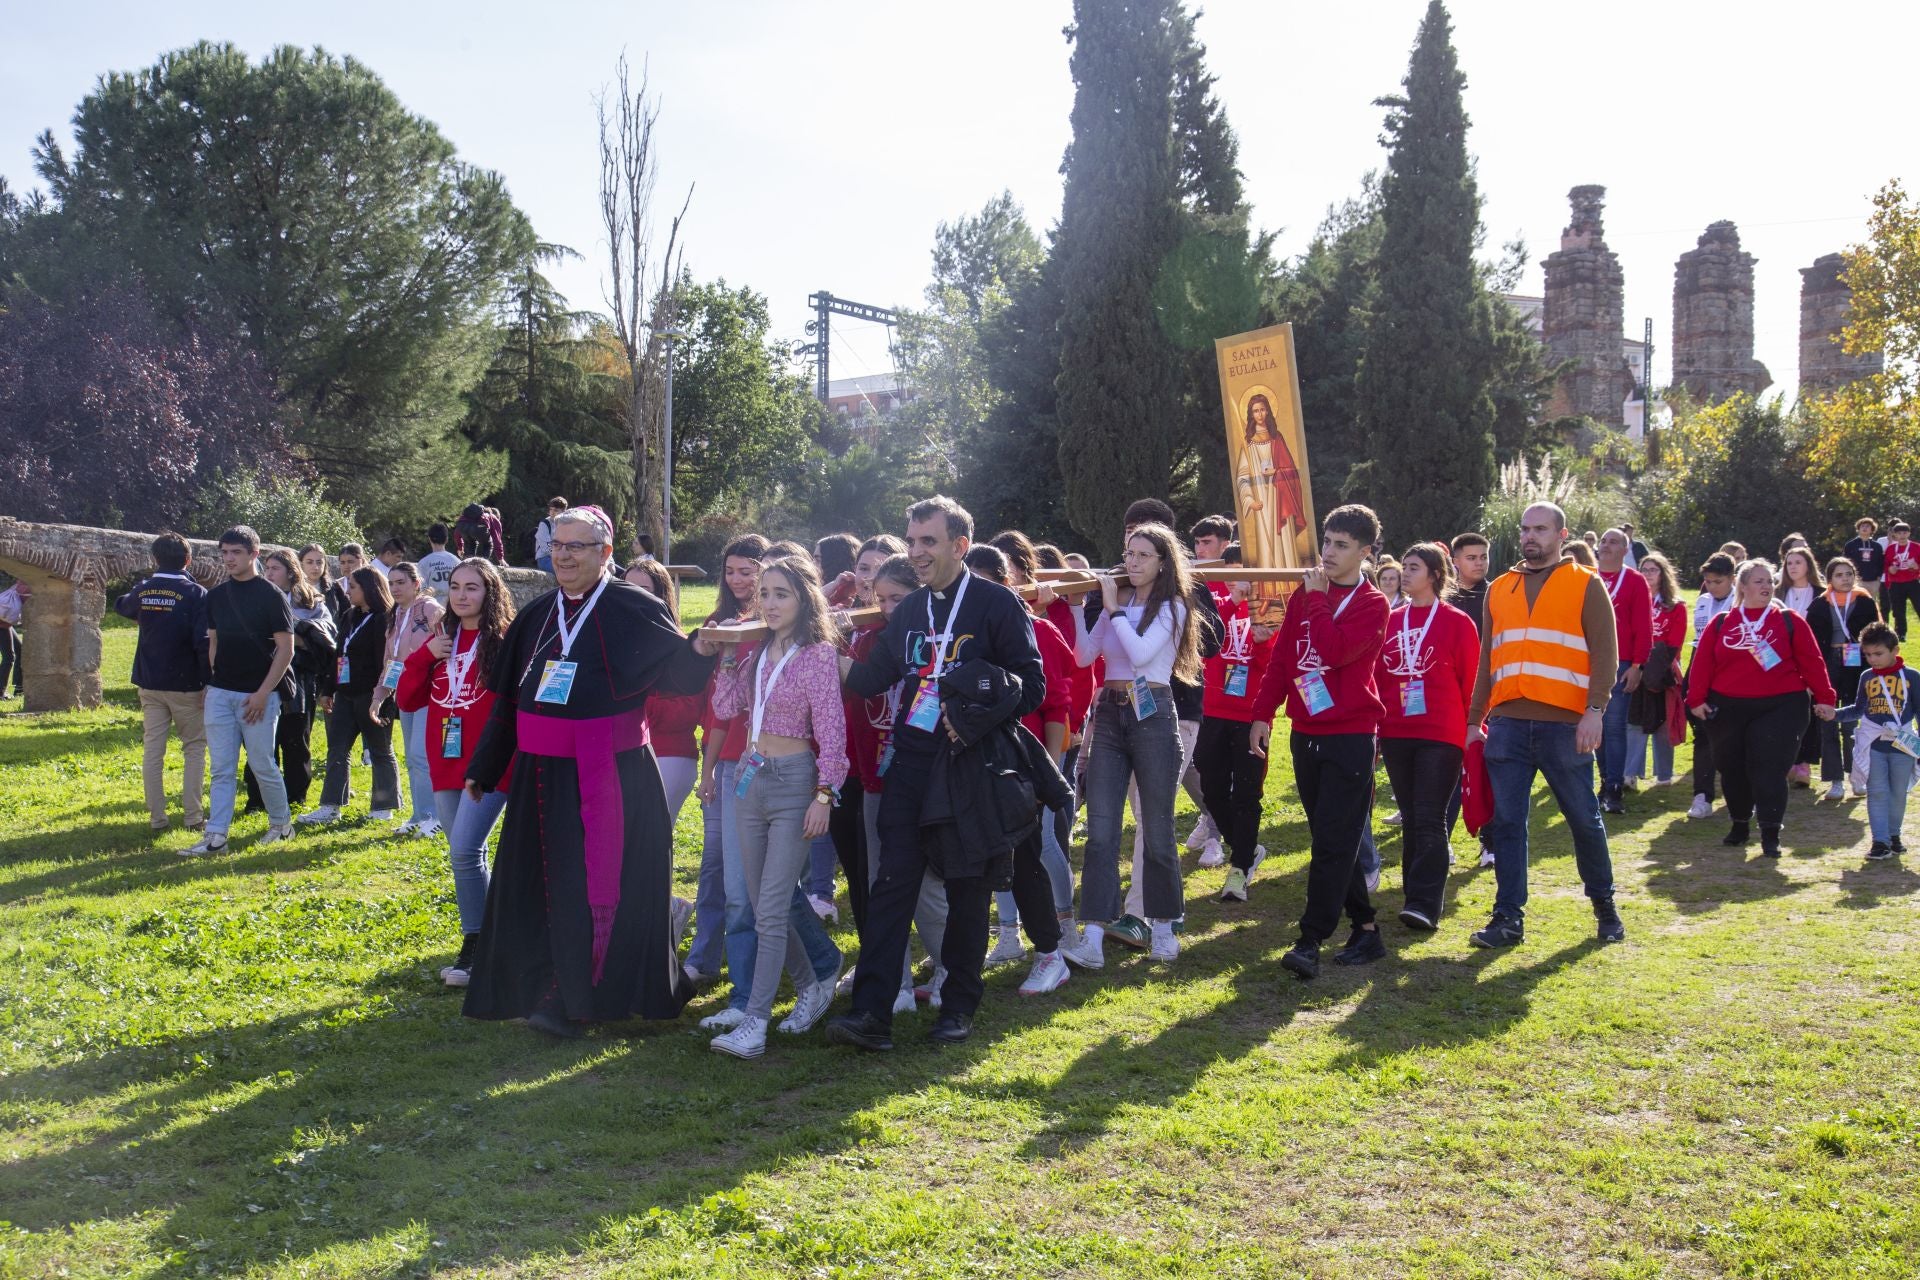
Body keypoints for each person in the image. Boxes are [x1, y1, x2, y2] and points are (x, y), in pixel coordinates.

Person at [462, 505, 717, 1037]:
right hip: (540, 776)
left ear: (605, 553)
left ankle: (581, 997)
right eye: (557, 545)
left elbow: (677, 676)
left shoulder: (635, 607)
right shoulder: (537, 614)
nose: (563, 556)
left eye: (575, 546)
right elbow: (508, 701)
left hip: (613, 774)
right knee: (544, 884)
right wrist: (485, 766)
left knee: (598, 886)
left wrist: (698, 648)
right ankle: (543, 985)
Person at [826, 495, 1050, 1051]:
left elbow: (1031, 685)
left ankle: (958, 1008)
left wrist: (971, 710)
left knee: (969, 889)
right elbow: (872, 678)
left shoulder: (997, 604)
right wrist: (821, 646)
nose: (917, 552)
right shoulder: (910, 610)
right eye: (912, 541)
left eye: (928, 541)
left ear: (960, 545)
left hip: (970, 767)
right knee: (891, 886)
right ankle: (872, 1013)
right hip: (910, 763)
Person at [700, 557, 848, 1058]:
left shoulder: (817, 655)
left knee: (770, 906)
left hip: (793, 782)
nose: (769, 602)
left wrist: (824, 795)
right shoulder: (758, 650)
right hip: (749, 777)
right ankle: (814, 982)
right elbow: (725, 708)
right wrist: (727, 654)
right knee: (767, 902)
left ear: (805, 598)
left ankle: (755, 1023)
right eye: (764, 593)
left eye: (780, 593)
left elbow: (832, 735)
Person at [1465, 502, 1625, 948]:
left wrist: (1595, 711)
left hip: (1566, 726)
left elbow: (1605, 655)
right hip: (1508, 725)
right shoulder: (1500, 588)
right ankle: (1507, 919)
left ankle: (1605, 906)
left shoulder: (1586, 583)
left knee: (1583, 819)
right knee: (1507, 824)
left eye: (1539, 529)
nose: (1530, 536)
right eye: (1525, 529)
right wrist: (1474, 720)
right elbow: (1487, 659)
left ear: (1561, 534)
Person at [1246, 505, 1389, 978]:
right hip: (1306, 732)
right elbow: (1282, 660)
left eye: (1341, 545)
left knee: (1332, 840)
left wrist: (1317, 599)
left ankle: (1310, 939)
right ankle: (1366, 928)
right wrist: (1262, 713)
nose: (1328, 552)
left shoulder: (1373, 604)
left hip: (1350, 735)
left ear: (1365, 552)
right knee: (1333, 838)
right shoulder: (1306, 596)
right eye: (1327, 541)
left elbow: (1334, 649)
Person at [396, 558, 516, 986]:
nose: (462, 595)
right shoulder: (440, 638)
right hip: (446, 762)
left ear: (490, 592)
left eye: (473, 588)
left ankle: (476, 948)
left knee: (464, 851)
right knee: (466, 854)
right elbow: (407, 700)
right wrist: (424, 657)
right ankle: (493, 942)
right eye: (456, 587)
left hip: (489, 765)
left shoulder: (504, 640)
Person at [845, 553, 954, 1010]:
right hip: (875, 778)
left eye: (899, 598)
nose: (889, 608)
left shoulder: (935, 638)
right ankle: (898, 983)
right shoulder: (866, 641)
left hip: (922, 776)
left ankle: (951, 968)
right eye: (882, 599)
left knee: (926, 882)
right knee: (880, 882)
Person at [966, 542, 1074, 979]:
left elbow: (1058, 704)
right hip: (978, 764)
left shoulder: (1038, 631)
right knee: (989, 853)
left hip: (1026, 763)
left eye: (983, 586)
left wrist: (1049, 768)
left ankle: (1059, 935)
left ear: (1006, 584)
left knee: (1036, 849)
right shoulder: (960, 638)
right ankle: (1004, 934)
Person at [1684, 559, 1838, 857]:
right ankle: (1740, 823)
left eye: (1769, 581)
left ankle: (1770, 832)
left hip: (1781, 705)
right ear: (1742, 587)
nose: (1766, 586)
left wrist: (1825, 698)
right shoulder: (1722, 622)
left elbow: (1812, 662)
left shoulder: (1790, 620)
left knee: (1769, 768)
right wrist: (1696, 699)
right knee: (1732, 767)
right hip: (1728, 706)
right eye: (1759, 581)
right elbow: (1703, 663)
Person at [1374, 543, 1477, 930]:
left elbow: (1471, 679)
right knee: (1412, 817)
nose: (1405, 572)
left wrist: (1472, 727)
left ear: (1435, 575)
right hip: (1397, 732)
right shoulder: (1391, 619)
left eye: (1414, 567)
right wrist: (1377, 731)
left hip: (1441, 733)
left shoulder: (1457, 622)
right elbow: (1379, 678)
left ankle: (1425, 903)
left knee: (1430, 816)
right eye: (1404, 565)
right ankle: (1413, 896)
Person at [685, 534, 769, 994]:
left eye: (747, 572)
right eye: (730, 571)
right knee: (715, 864)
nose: (737, 580)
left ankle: (765, 969)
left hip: (768, 763)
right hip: (725, 758)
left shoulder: (778, 625)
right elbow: (716, 704)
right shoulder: (721, 625)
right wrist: (709, 768)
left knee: (755, 878)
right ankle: (704, 957)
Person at [186, 527, 296, 856]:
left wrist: (263, 693)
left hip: (258, 694)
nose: (229, 559)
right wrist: (213, 683)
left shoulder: (271, 595)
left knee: (262, 764)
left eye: (236, 552)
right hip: (221, 692)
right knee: (221, 768)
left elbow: (286, 649)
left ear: (254, 554)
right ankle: (216, 836)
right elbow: (214, 642)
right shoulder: (216, 595)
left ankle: (281, 825)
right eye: (224, 552)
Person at [114, 532, 209, 833]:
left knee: (153, 749)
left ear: (154, 559)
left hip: (150, 681)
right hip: (187, 682)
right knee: (194, 747)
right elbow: (203, 641)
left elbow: (123, 606)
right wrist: (208, 681)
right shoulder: (196, 593)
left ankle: (157, 818)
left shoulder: (144, 589)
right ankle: (193, 817)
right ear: (188, 560)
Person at [1200, 546, 1278, 901]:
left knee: (1247, 794)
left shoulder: (1268, 607)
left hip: (1250, 714)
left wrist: (1262, 644)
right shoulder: (1216, 602)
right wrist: (1232, 602)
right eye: (1230, 572)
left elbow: (1275, 664)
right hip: (1212, 710)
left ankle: (1240, 868)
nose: (1238, 580)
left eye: (1244, 572)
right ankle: (1246, 847)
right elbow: (1205, 643)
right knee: (1212, 789)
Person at [300, 567, 400, 824]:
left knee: (380, 749)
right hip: (345, 694)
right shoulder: (349, 615)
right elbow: (339, 655)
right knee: (337, 748)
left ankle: (383, 807)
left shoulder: (384, 619)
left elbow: (387, 660)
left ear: (369, 588)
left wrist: (383, 697)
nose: (347, 591)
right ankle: (331, 806)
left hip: (372, 695)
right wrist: (328, 689)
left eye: (353, 586)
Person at [244, 549, 334, 817]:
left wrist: (295, 634)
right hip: (261, 677)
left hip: (300, 680)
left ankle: (295, 797)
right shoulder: (255, 597)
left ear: (291, 572)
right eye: (267, 568)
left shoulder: (310, 601)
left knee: (295, 739)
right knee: (261, 741)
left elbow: (325, 637)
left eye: (275, 569)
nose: (269, 573)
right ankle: (257, 799)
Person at [627, 559, 703, 830]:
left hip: (668, 755)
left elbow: (688, 710)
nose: (633, 596)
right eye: (626, 587)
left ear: (662, 597)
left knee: (651, 839)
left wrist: (631, 710)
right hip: (624, 755)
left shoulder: (679, 646)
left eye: (644, 590)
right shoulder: (613, 642)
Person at [1835, 621, 1918, 860]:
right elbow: (1858, 709)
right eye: (1868, 655)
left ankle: (1893, 835)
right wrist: (1834, 714)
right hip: (1873, 745)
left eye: (1878, 654)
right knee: (1877, 791)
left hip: (1903, 745)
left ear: (1895, 650)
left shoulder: (1912, 677)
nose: (1873, 659)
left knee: (1898, 793)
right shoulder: (1867, 676)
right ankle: (1879, 841)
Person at [1809, 558, 1881, 801]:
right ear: (1830, 579)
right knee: (1827, 720)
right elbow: (1810, 642)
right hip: (1828, 663)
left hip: (1855, 662)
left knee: (1851, 723)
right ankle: (1835, 780)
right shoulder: (1819, 605)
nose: (1845, 579)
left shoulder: (1865, 601)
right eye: (1839, 575)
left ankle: (1856, 777)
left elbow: (1876, 635)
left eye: (1849, 574)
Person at [1595, 528, 1654, 814]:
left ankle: (1615, 788)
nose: (1606, 545)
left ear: (1625, 549)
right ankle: (1605, 781)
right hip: (1588, 663)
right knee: (1596, 725)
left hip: (1622, 663)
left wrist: (1638, 665)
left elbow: (1644, 626)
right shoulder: (1587, 576)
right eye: (1603, 541)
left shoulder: (1634, 581)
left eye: (1614, 542)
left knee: (1614, 726)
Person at [384, 563, 446, 834]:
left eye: (401, 582)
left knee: (422, 755)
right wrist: (380, 695)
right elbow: (390, 661)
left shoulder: (430, 608)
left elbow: (447, 643)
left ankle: (436, 816)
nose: (395, 588)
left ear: (416, 583)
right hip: (406, 693)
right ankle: (419, 815)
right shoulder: (395, 615)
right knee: (412, 758)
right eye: (391, 583)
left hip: (429, 693)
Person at [1445, 532, 1493, 864]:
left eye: (1483, 557)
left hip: (1488, 693)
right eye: (1471, 557)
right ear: (1455, 561)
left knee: (1487, 769)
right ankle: (1442, 839)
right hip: (1450, 696)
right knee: (1447, 770)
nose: (1479, 563)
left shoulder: (1496, 594)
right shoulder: (1444, 596)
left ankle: (1491, 842)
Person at [1624, 553, 1688, 789]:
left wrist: (1655, 668)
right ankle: (1630, 774)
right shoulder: (1635, 601)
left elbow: (1675, 643)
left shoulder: (1676, 606)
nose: (1648, 574)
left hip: (1663, 670)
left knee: (1662, 722)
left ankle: (1664, 775)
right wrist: (1636, 665)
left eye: (1653, 570)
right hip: (1635, 666)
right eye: (1644, 569)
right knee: (1635, 721)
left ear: (1663, 574)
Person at [1234, 393, 1309, 574]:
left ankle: (1291, 583)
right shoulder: (1248, 444)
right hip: (1262, 502)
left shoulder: (1277, 438)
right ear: (1251, 415)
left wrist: (1276, 472)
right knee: (1267, 545)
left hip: (1280, 496)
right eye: (1255, 411)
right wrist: (1250, 501)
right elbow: (1242, 477)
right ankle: (1270, 586)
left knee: (1285, 541)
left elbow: (1292, 471)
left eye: (1262, 409)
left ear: (1268, 411)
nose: (1259, 414)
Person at [1779, 547, 1827, 788]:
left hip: (1809, 659)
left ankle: (1804, 763)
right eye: (1789, 563)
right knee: (1784, 712)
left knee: (1808, 712)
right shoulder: (1778, 592)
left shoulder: (1821, 594)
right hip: (1780, 662)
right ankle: (1787, 761)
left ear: (1809, 564)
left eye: (1798, 562)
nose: (1793, 567)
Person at [1844, 517, 1887, 618]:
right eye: (1862, 526)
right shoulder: (1850, 545)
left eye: (1867, 526)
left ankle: (1872, 622)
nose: (1865, 528)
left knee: (1871, 604)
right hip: (1856, 580)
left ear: (1872, 530)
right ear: (1858, 529)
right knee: (1856, 604)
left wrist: (1878, 578)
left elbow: (1881, 563)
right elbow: (1845, 562)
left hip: (1873, 581)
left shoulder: (1877, 546)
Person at [1884, 521, 1918, 642]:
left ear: (1909, 533)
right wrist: (1890, 569)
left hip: (1913, 582)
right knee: (1898, 610)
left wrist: (1916, 566)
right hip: (1896, 584)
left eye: (1904, 532)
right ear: (1894, 535)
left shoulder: (1916, 547)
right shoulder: (1890, 549)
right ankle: (1901, 634)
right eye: (1899, 533)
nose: (1902, 535)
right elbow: (1886, 565)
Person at [851, 535, 907, 607]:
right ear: (855, 570)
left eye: (881, 569)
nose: (871, 577)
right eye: (864, 569)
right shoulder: (844, 609)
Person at [417, 524, 460, 604]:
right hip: (455, 605)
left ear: (429, 539)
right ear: (447, 539)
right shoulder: (456, 561)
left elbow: (421, 590)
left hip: (432, 607)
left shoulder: (423, 563)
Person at [0, 580, 28, 698]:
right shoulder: (29, 584)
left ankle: (19, 688)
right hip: (2, 623)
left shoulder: (24, 581)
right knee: (9, 657)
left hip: (4, 622)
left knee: (19, 649)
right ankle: (0, 692)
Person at [327, 543, 367, 623]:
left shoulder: (372, 583)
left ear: (362, 561)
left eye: (350, 562)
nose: (346, 566)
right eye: (342, 562)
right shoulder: (335, 586)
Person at [533, 497, 567, 573]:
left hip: (561, 557)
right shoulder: (544, 523)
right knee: (563, 571)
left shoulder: (565, 524)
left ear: (563, 511)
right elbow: (546, 546)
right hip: (545, 558)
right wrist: (559, 556)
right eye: (551, 509)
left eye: (556, 510)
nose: (552, 512)